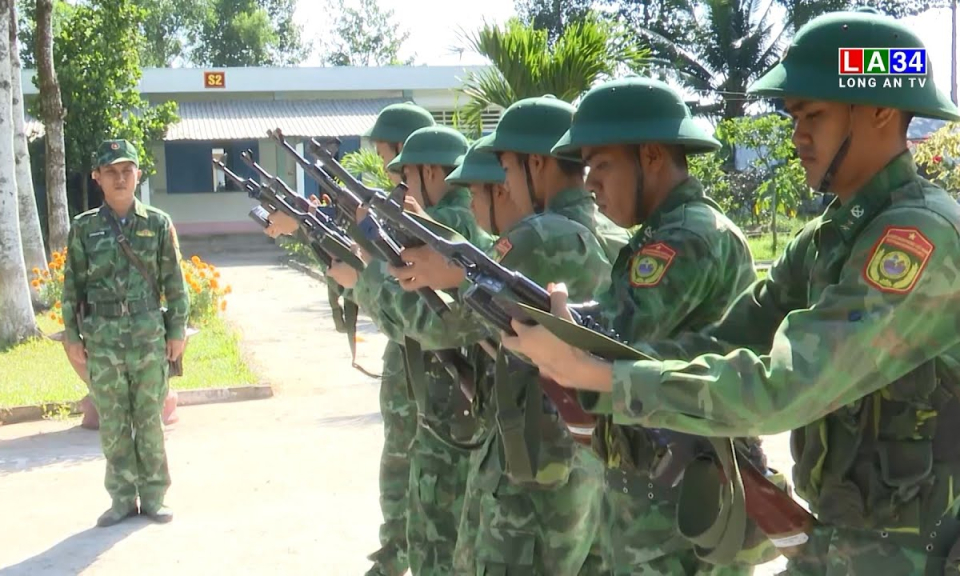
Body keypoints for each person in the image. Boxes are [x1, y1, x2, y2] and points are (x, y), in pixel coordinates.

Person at [502, 9, 960, 574]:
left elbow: (787, 387)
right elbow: (727, 340)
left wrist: (602, 377)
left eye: (813, 114)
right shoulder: (830, 238)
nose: (798, 136)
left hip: (921, 555)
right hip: (845, 544)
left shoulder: (918, 240)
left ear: (882, 111)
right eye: (794, 116)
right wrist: (585, 348)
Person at [384, 96, 621, 574]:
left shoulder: (541, 235)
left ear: (538, 163)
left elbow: (443, 327)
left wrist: (377, 274)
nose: (504, 184)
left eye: (508, 168)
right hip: (587, 457)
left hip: (532, 463)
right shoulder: (609, 233)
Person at [545, 75, 769, 574]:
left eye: (601, 164)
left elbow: (620, 339)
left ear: (650, 156)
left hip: (683, 504)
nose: (590, 183)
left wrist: (559, 320)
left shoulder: (687, 237)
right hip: (658, 495)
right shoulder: (665, 232)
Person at [326, 125, 490, 575]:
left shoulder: (448, 226)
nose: (399, 182)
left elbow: (415, 321)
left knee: (436, 532)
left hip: (448, 402)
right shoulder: (458, 222)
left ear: (432, 171)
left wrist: (363, 280)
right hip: (452, 398)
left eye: (405, 173)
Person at [61, 139, 189, 527]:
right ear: (97, 177)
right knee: (114, 421)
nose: (120, 179)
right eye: (111, 172)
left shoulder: (158, 223)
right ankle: (120, 499)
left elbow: (175, 282)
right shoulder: (84, 228)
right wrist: (71, 335)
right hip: (102, 340)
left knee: (149, 419)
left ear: (137, 175)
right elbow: (72, 286)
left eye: (127, 170)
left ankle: (153, 496)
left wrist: (177, 329)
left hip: (148, 335)